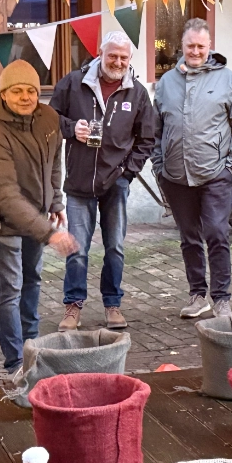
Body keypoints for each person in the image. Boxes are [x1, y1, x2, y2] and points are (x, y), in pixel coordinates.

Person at [51, 31, 156, 331]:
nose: (118, 62)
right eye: (113, 55)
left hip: (115, 183)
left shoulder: (136, 93)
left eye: (124, 57)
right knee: (77, 248)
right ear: (100, 53)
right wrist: (72, 128)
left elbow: (147, 138)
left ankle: (112, 303)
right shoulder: (74, 82)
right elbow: (49, 116)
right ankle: (73, 306)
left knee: (115, 248)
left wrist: (128, 173)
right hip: (79, 183)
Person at [0, 61, 78, 372]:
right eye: (17, 91)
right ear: (3, 94)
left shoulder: (48, 118)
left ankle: (32, 347)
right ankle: (14, 362)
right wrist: (48, 233)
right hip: (3, 221)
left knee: (32, 281)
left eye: (31, 91)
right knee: (10, 288)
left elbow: (55, 160)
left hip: (37, 214)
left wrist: (56, 201)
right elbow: (4, 195)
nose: (25, 97)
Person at [152, 18, 232, 319]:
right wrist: (158, 164)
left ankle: (221, 298)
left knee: (217, 234)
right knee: (189, 237)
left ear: (210, 47)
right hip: (176, 176)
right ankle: (198, 296)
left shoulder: (227, 79)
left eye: (201, 46)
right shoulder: (166, 82)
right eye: (190, 46)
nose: (195, 51)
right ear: (181, 46)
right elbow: (156, 129)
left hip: (215, 174)